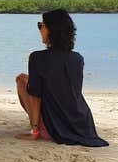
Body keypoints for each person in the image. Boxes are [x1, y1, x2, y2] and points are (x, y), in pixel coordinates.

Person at [15, 9, 109, 147]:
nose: (40, 29)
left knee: (21, 80)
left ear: (52, 30)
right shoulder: (77, 58)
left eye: (41, 25)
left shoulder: (37, 58)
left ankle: (36, 127)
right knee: (28, 79)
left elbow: (35, 95)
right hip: (83, 125)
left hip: (55, 129)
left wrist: (34, 130)